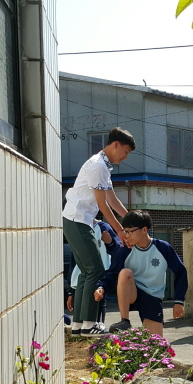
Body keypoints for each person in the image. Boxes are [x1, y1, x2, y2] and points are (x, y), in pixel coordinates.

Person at [62, 127, 134, 336]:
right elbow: (104, 206)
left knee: (88, 271)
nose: (126, 157)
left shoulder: (103, 165)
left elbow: (113, 200)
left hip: (78, 220)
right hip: (78, 221)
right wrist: (120, 231)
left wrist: (132, 219)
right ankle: (90, 324)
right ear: (116, 144)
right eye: (126, 151)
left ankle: (79, 326)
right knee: (96, 269)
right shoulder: (98, 166)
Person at [108, 210, 188, 337]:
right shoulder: (125, 250)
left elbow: (181, 272)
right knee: (125, 273)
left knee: (156, 344)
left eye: (130, 231)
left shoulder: (163, 248)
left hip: (152, 297)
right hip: (132, 292)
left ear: (144, 229)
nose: (127, 235)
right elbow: (112, 273)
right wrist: (100, 287)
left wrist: (179, 301)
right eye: (125, 231)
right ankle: (125, 321)